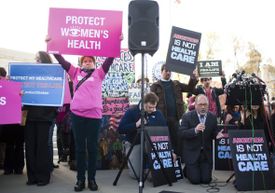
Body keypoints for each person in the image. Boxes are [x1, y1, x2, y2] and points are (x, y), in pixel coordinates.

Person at [47, 34, 122, 191]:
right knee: (80, 149)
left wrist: (117, 42)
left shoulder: (99, 73)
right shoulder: (75, 73)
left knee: (93, 148)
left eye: (90, 61)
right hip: (78, 115)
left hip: (94, 116)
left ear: (94, 63)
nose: (88, 62)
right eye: (85, 61)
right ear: (81, 63)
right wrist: (52, 45)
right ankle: (80, 180)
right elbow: (62, 61)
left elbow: (110, 59)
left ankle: (92, 180)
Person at [23, 51, 58, 186]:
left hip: (45, 117)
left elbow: (56, 95)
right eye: (35, 59)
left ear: (45, 60)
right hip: (30, 116)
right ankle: (32, 177)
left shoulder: (53, 75)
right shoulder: (29, 75)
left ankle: (43, 177)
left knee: (42, 148)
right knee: (30, 147)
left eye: (39, 59)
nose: (36, 61)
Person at [150, 64, 198, 156]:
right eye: (166, 71)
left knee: (177, 139)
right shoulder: (155, 86)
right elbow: (151, 101)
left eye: (169, 71)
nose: (168, 72)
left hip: (176, 118)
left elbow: (189, 88)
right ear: (161, 72)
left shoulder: (176, 84)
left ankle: (177, 160)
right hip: (162, 119)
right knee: (165, 140)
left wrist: (193, 78)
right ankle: (166, 159)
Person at [118, 92, 167, 179]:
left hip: (152, 144)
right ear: (143, 103)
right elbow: (121, 129)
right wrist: (136, 124)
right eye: (149, 107)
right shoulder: (132, 112)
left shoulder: (158, 113)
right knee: (136, 175)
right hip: (134, 143)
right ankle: (143, 167)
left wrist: (171, 150)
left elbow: (165, 132)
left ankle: (149, 168)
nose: (152, 109)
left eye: (154, 107)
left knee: (158, 173)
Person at [179, 94, 223, 184]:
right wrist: (195, 130)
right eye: (200, 104)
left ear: (208, 105)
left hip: (205, 155)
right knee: (195, 181)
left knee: (206, 180)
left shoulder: (212, 117)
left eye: (205, 104)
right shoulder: (187, 116)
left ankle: (196, 169)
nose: (203, 107)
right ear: (195, 105)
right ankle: (187, 169)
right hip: (192, 153)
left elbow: (214, 132)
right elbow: (181, 133)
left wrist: (217, 135)